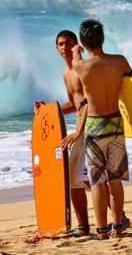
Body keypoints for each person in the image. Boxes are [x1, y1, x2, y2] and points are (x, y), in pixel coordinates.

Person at [61, 18, 132, 240]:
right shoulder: (120, 61)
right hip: (117, 123)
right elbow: (131, 82)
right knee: (115, 180)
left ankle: (102, 231)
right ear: (103, 39)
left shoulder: (81, 66)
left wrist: (75, 51)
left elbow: (76, 63)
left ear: (82, 41)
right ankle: (118, 226)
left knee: (97, 181)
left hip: (94, 125)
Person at [34, 30, 91, 237]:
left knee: (87, 179)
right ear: (56, 48)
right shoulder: (66, 74)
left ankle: (119, 218)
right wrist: (47, 110)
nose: (64, 47)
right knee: (76, 179)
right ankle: (84, 226)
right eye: (60, 44)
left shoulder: (83, 69)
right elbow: (74, 104)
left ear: (77, 45)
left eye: (68, 43)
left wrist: (79, 132)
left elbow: (89, 103)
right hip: (81, 123)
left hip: (90, 125)